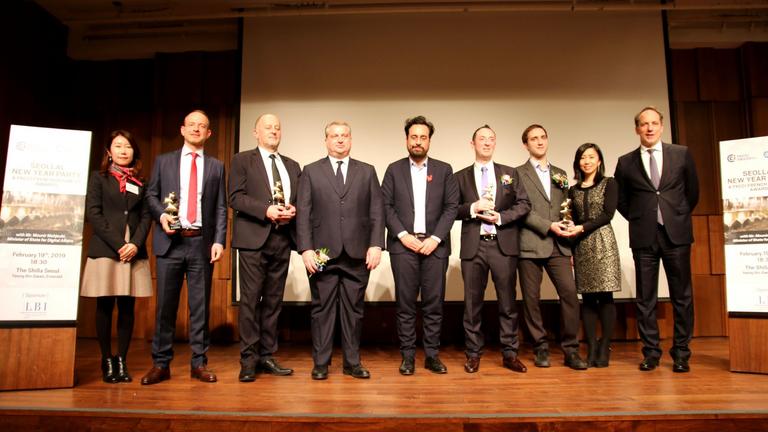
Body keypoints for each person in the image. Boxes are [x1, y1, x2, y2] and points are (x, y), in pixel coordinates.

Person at [141, 110, 228, 385]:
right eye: (192, 125)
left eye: (202, 126)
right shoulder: (164, 161)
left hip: (201, 243)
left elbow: (221, 207)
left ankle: (199, 363)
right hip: (171, 243)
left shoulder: (216, 166)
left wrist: (219, 240)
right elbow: (151, 194)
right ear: (182, 129)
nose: (196, 129)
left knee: (199, 308)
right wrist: (161, 215)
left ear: (209, 133)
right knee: (165, 307)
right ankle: (160, 363)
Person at [296, 121, 385, 380]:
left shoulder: (367, 171)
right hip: (322, 253)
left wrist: (376, 244)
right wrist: (305, 249)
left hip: (358, 253)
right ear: (326, 140)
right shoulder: (311, 171)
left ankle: (352, 362)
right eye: (334, 136)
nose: (340, 140)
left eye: (344, 135)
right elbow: (304, 213)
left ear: (351, 139)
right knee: (321, 309)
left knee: (354, 311)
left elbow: (377, 212)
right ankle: (321, 363)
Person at [614, 106, 699, 373]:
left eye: (654, 123)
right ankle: (651, 352)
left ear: (661, 126)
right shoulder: (625, 162)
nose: (649, 128)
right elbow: (622, 201)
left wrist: (676, 215)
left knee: (682, 296)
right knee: (646, 298)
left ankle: (681, 353)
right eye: (643, 124)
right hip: (644, 237)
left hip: (676, 234)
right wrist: (642, 219)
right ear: (637, 128)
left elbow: (692, 192)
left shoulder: (681, 154)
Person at [381, 116, 459, 375]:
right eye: (413, 137)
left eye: (423, 137)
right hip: (403, 246)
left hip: (435, 247)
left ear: (429, 141)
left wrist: (435, 239)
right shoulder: (393, 169)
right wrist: (403, 235)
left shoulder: (444, 170)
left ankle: (432, 355)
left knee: (434, 304)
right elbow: (386, 207)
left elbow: (451, 208)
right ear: (406, 140)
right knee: (405, 304)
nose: (418, 141)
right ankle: (408, 357)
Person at [229, 114, 301, 382]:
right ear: (255, 133)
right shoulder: (241, 160)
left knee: (273, 302)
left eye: (277, 127)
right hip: (253, 240)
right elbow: (234, 197)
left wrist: (295, 208)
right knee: (250, 301)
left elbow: (300, 200)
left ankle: (267, 355)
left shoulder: (292, 165)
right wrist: (266, 210)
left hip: (282, 240)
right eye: (267, 127)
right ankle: (248, 360)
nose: (273, 131)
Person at [454, 124, 530, 374]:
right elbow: (451, 209)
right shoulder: (460, 176)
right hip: (473, 247)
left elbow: (524, 204)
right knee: (472, 304)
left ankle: (510, 353)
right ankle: (473, 354)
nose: (487, 143)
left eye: (491, 139)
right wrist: (473, 208)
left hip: (502, 244)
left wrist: (500, 217)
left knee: (508, 303)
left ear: (495, 144)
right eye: (482, 139)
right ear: (472, 143)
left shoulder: (509, 173)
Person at [81, 130, 152, 383]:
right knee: (104, 306)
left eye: (128, 147)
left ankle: (121, 360)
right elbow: (93, 213)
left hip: (133, 249)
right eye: (118, 146)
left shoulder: (141, 181)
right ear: (109, 151)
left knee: (127, 306)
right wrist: (119, 244)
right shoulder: (98, 178)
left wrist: (134, 244)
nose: (124, 151)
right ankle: (105, 359)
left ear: (134, 151)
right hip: (106, 248)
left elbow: (146, 217)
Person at [515, 124, 588, 370]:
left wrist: (567, 230)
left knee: (569, 295)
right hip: (530, 244)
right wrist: (548, 226)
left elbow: (566, 207)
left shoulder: (561, 173)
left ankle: (571, 350)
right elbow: (521, 210)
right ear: (525, 144)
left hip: (559, 245)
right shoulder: (517, 174)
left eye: (543, 137)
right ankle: (540, 347)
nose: (539, 142)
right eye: (533, 138)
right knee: (531, 299)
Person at [565, 143, 621, 367]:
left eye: (591, 157)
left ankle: (605, 345)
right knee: (587, 299)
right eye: (582, 157)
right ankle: (591, 346)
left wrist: (581, 228)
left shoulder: (610, 183)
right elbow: (572, 220)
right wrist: (571, 243)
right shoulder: (573, 190)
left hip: (603, 242)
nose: (586, 161)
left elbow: (608, 214)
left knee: (605, 297)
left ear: (599, 161)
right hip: (581, 245)